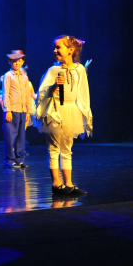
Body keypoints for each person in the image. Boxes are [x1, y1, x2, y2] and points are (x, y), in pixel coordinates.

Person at [35, 35, 92, 196]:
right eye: (54, 47)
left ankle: (69, 184)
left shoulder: (79, 70)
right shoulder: (53, 70)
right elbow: (41, 93)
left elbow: (83, 92)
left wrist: (85, 112)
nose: (55, 50)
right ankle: (56, 184)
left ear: (71, 50)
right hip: (55, 112)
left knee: (67, 148)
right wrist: (54, 86)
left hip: (71, 111)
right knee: (54, 148)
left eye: (58, 47)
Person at [1, 50, 30, 169]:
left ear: (22, 61)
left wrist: (28, 111)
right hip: (12, 110)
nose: (16, 63)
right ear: (10, 62)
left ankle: (19, 160)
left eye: (19, 61)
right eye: (14, 61)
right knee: (10, 136)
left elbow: (27, 94)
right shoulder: (8, 75)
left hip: (22, 110)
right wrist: (7, 110)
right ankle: (10, 160)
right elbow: (5, 93)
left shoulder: (24, 77)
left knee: (21, 136)